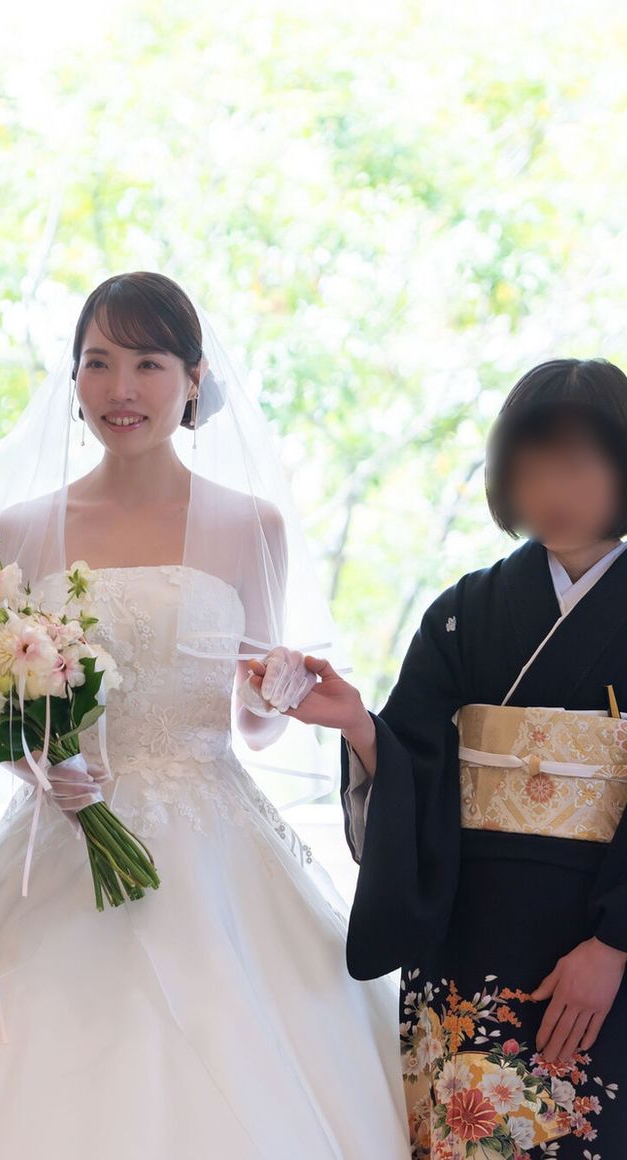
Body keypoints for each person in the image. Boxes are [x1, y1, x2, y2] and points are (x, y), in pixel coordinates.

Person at [0, 272, 408, 1159]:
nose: (121, 389)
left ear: (194, 379)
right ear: (75, 379)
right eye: (98, 363)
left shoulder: (252, 525)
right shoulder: (23, 527)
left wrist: (274, 691)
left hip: (213, 849)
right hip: (60, 838)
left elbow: (255, 724)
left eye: (148, 364)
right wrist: (44, 768)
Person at [290, 358, 627, 1157]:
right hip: (470, 937)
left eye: (578, 463)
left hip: (600, 935)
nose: (553, 488)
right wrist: (359, 726)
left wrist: (615, 941)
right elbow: (416, 763)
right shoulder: (463, 613)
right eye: (532, 465)